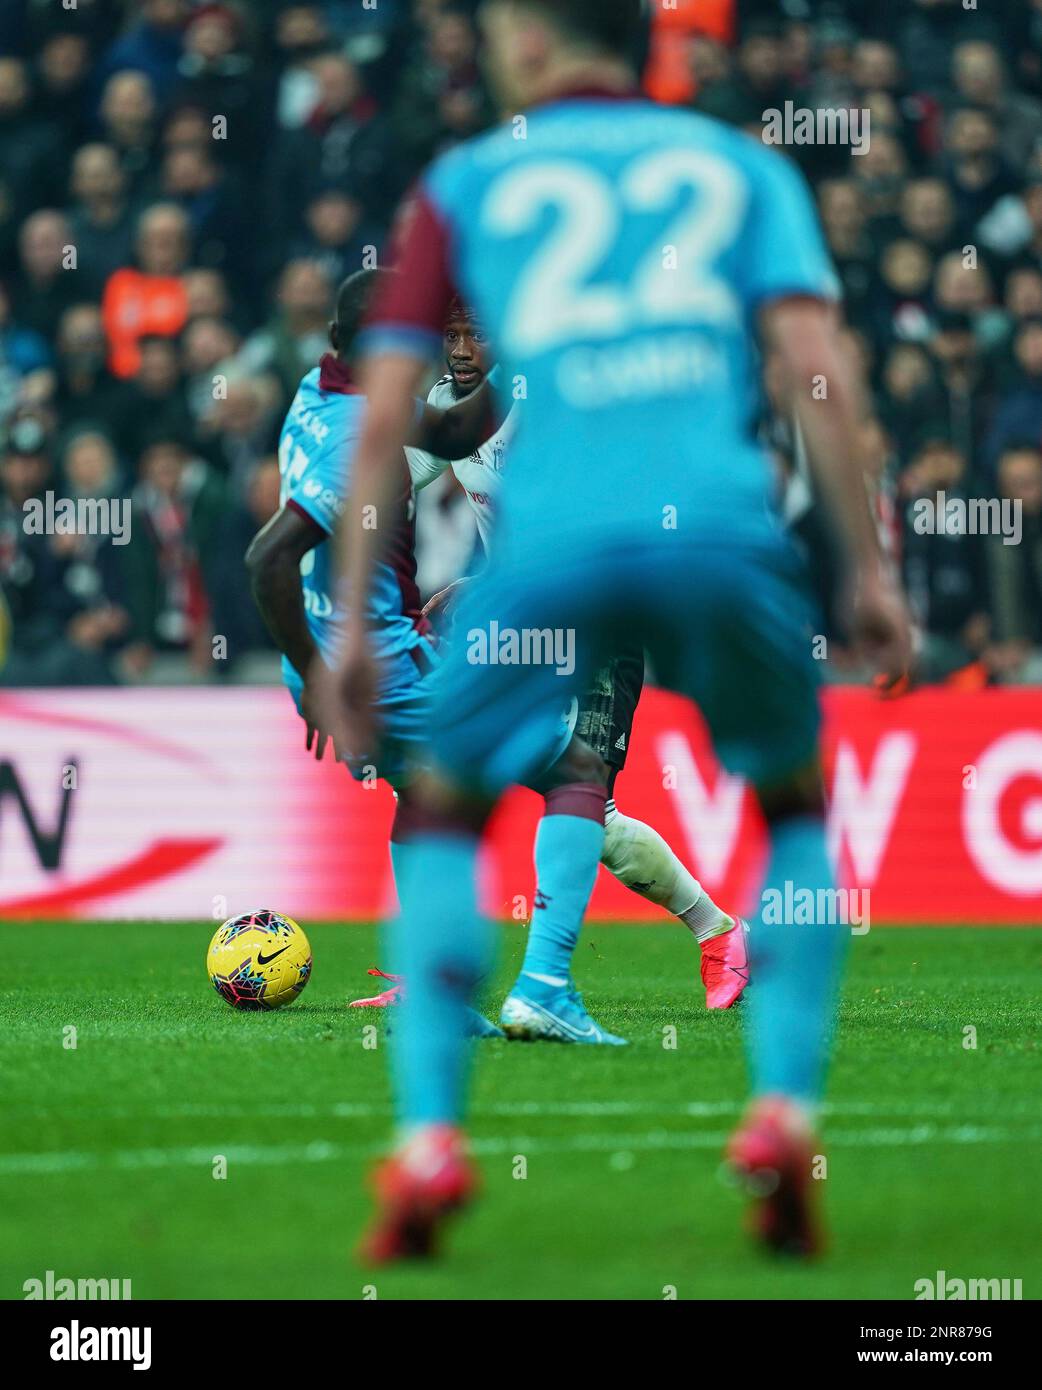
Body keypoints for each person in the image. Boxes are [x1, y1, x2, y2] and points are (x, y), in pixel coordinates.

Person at [318, 0, 911, 1264]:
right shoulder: (742, 170)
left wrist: (354, 619)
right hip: (722, 528)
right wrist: (862, 566)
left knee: (439, 809)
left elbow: (382, 423)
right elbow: (815, 366)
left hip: (549, 547)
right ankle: (779, 1119)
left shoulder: (467, 180)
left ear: (530, 44)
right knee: (795, 806)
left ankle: (430, 1136)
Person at [407, 301, 749, 1014]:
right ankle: (437, 974)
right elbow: (385, 485)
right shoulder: (443, 406)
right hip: (525, 626)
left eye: (478, 331)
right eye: (452, 331)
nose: (463, 347)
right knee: (437, 775)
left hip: (603, 611)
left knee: (588, 802)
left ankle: (718, 935)